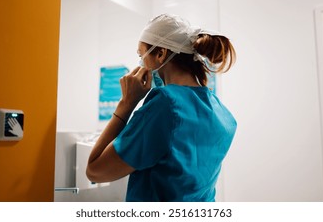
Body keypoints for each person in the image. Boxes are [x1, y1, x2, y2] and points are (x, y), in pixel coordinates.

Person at [86, 13, 237, 202]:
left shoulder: (165, 104)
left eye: (142, 56)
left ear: (161, 54)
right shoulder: (221, 111)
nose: (141, 64)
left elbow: (95, 171)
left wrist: (127, 103)